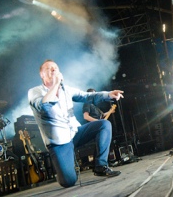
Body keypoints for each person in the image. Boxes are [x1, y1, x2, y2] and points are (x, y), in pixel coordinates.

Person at [28, 59, 123, 188]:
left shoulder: (66, 90)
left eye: (55, 68)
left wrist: (108, 94)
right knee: (68, 181)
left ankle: (100, 166)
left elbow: (87, 96)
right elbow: (44, 107)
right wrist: (55, 84)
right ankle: (65, 170)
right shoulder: (35, 92)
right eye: (48, 69)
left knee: (104, 125)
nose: (53, 70)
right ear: (42, 75)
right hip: (59, 143)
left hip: (75, 133)